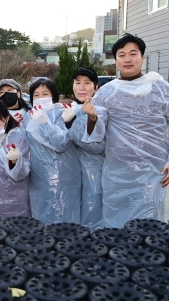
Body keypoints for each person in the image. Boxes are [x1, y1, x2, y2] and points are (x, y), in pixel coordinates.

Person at [84, 33, 169, 228]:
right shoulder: (107, 92)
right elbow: (95, 136)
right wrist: (91, 117)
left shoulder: (161, 88)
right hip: (117, 172)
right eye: (122, 55)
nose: (128, 59)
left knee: (150, 224)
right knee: (116, 224)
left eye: (133, 53)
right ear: (116, 60)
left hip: (153, 170)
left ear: (143, 57)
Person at [26, 78, 81, 225]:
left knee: (65, 218)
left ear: (54, 97)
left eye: (45, 94)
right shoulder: (30, 117)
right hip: (38, 177)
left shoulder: (62, 113)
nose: (40, 98)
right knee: (41, 217)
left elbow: (61, 143)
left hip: (63, 177)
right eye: (36, 95)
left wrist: (43, 122)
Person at [61, 67, 105, 231]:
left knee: (92, 213)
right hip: (70, 172)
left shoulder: (100, 110)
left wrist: (78, 122)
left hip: (93, 173)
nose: (81, 87)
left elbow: (95, 145)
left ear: (96, 87)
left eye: (87, 83)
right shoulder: (68, 109)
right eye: (77, 82)